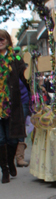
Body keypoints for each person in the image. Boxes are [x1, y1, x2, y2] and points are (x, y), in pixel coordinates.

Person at [0, 30, 26, 184]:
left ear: (8, 40)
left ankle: (10, 161)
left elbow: (25, 74)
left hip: (12, 104)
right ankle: (4, 170)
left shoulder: (15, 57)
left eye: (2, 39)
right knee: (1, 139)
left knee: (12, 138)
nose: (0, 42)